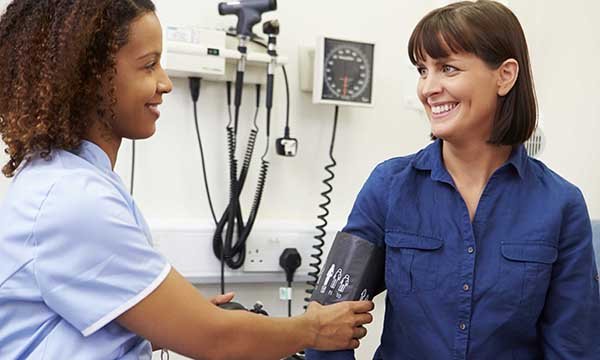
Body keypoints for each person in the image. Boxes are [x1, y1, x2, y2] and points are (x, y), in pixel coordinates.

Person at [0, 1, 374, 359]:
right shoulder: (71, 198)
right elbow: (216, 338)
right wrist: (312, 329)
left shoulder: (74, 180)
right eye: (149, 66)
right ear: (88, 77)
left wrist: (168, 319)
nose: (165, 83)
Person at [306, 1, 600, 359]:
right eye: (421, 69)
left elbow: (574, 347)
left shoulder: (561, 205)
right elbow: (325, 322)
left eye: (447, 68)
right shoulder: (388, 186)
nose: (428, 88)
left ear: (505, 76)